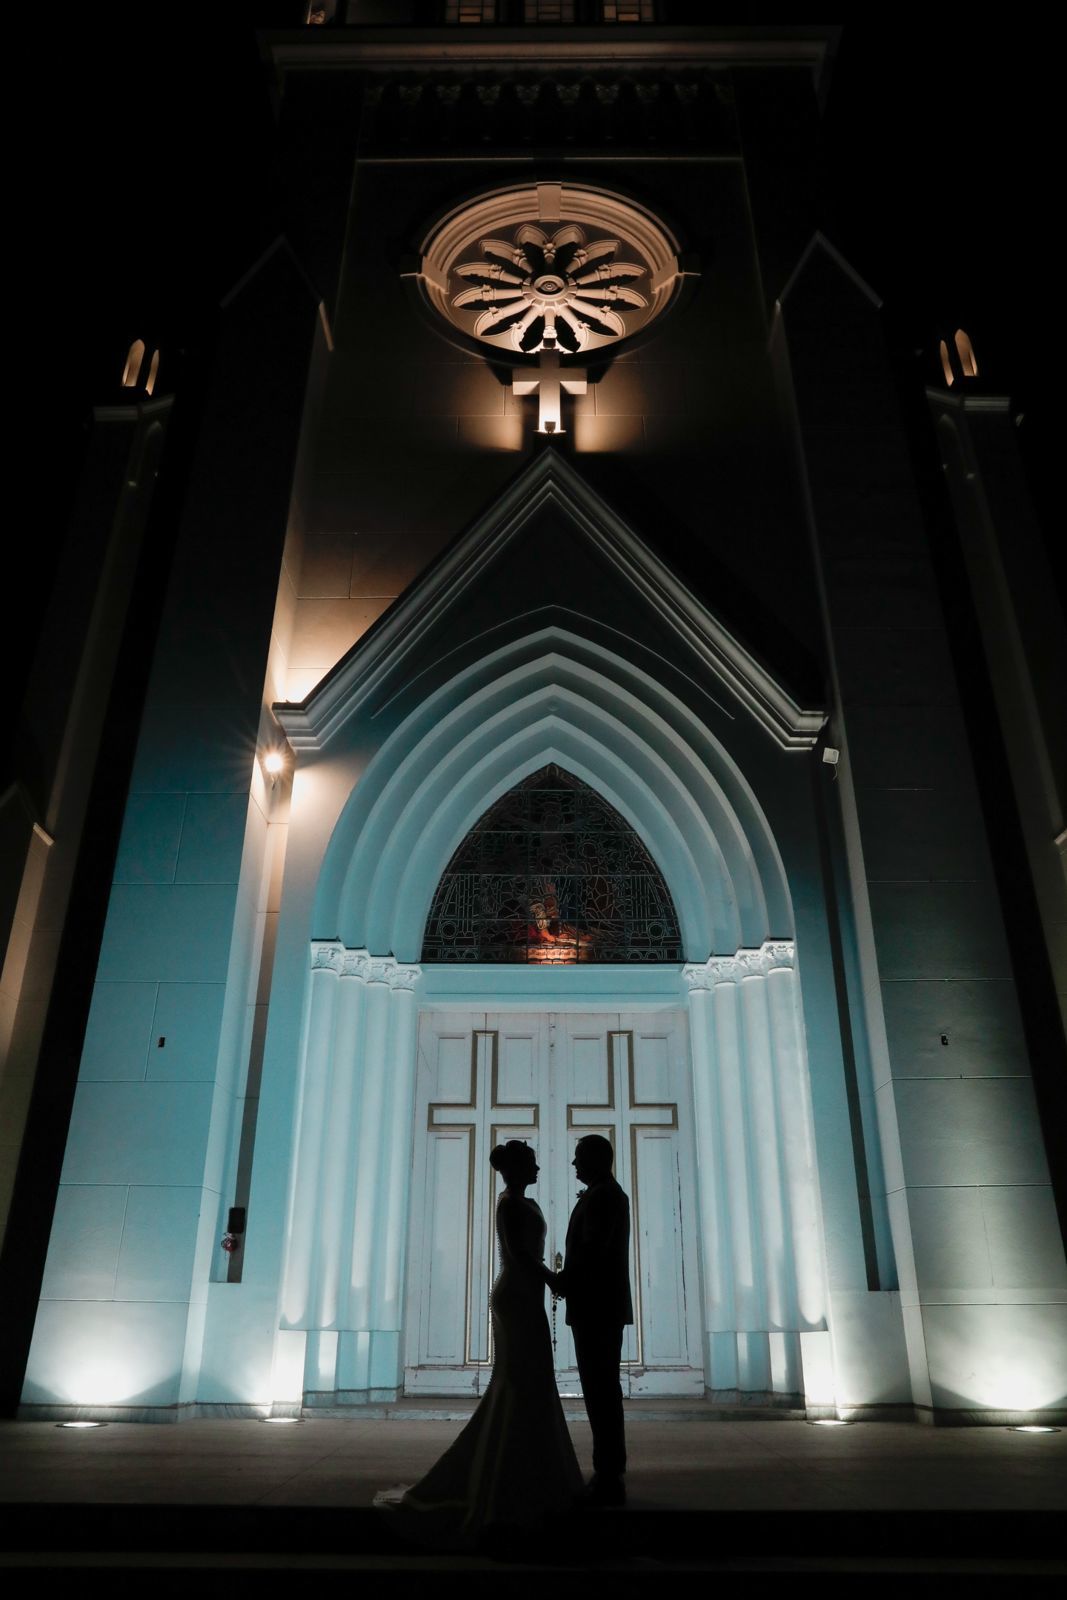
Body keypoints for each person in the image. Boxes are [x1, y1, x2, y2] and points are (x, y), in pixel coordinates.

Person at [375, 1140, 582, 1548]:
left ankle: (528, 1474)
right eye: (532, 1163)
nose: (539, 1168)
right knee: (520, 1382)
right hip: (516, 1298)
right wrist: (553, 1279)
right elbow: (520, 1255)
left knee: (531, 1382)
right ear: (516, 1170)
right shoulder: (508, 1204)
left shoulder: (526, 1203)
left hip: (528, 1297)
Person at [557, 1133, 633, 1506]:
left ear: (596, 1161)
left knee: (601, 1390)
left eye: (579, 1158)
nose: (574, 1165)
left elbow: (592, 1251)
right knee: (601, 1389)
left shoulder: (604, 1196)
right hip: (598, 1305)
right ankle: (607, 1470)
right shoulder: (605, 1194)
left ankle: (608, 1473)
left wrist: (561, 1280)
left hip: (596, 1306)